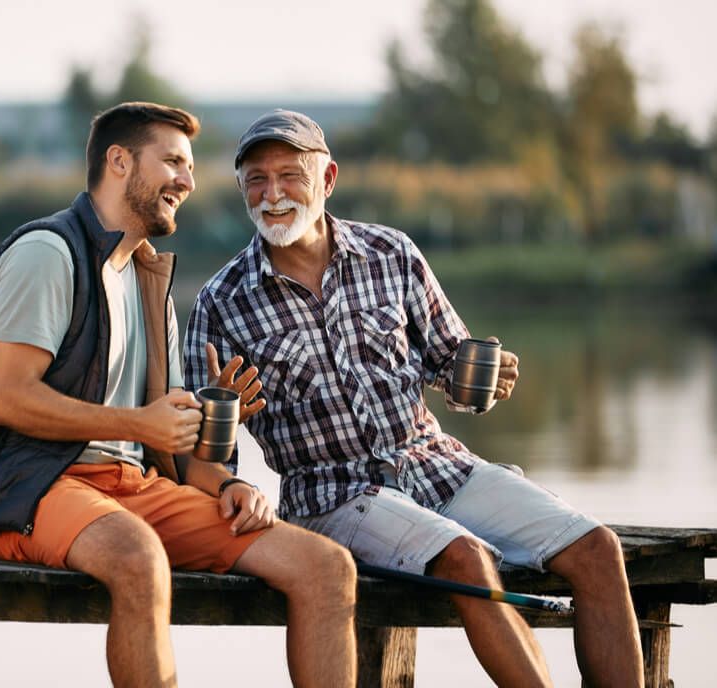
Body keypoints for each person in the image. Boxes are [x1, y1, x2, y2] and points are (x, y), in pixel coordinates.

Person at [184, 109, 644, 687]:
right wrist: (223, 436)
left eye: (289, 176)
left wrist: (480, 375)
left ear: (326, 180)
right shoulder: (221, 302)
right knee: (468, 558)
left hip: (437, 466)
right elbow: (202, 460)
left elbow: (450, 360)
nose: (273, 195)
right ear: (241, 190)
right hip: (334, 495)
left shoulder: (392, 254)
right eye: (257, 179)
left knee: (599, 549)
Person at [0, 102, 357, 688]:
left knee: (325, 567)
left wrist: (228, 481)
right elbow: (9, 399)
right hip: (28, 488)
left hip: (132, 490)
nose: (188, 180)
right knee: (140, 558)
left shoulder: (150, 277)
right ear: (120, 161)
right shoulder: (47, 252)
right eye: (173, 161)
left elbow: (171, 441)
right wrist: (139, 424)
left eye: (191, 166)